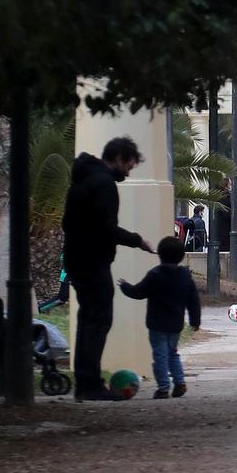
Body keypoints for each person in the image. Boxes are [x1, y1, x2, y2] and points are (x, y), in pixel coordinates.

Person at [61, 138, 155, 401]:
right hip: (92, 261)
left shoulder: (83, 180)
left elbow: (68, 222)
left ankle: (85, 381)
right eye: (128, 165)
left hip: (77, 258)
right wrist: (138, 241)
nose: (127, 172)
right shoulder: (103, 184)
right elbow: (105, 228)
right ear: (118, 158)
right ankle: (90, 384)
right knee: (99, 320)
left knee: (89, 320)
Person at [119, 235, 202, 399]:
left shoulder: (155, 274)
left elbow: (139, 292)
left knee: (160, 355)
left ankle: (163, 387)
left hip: (157, 323)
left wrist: (125, 286)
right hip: (176, 324)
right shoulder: (185, 276)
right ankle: (179, 382)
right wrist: (195, 321)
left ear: (160, 255)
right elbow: (193, 300)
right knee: (172, 353)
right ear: (181, 256)